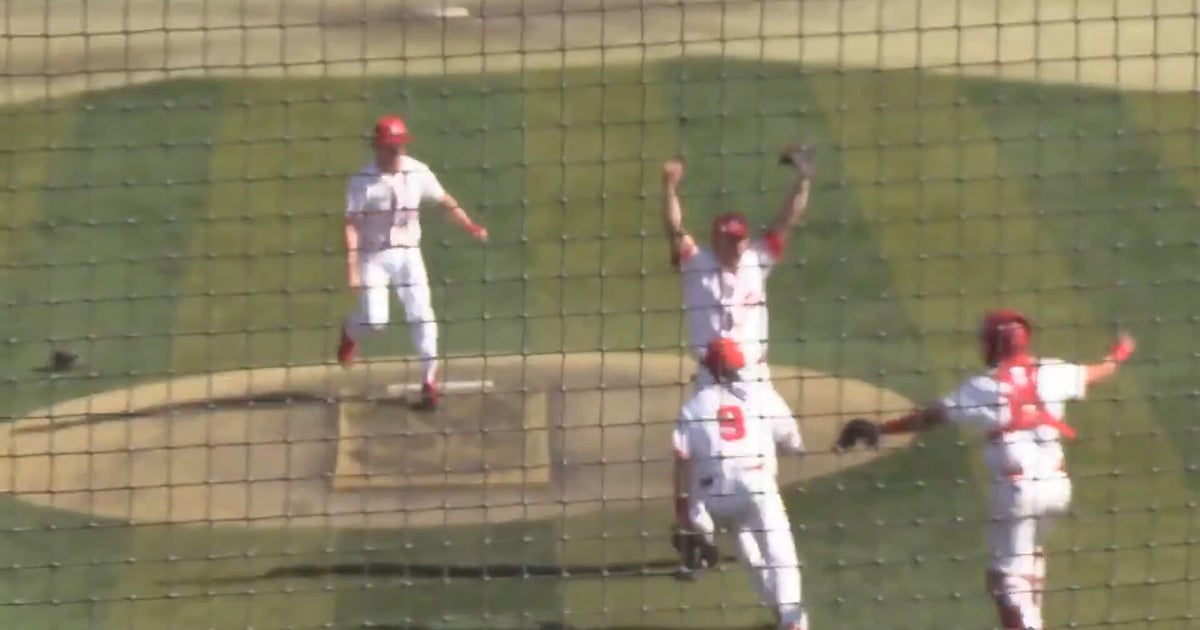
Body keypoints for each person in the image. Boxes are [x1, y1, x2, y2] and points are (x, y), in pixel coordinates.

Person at [834, 309, 1137, 630]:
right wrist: (1121, 350)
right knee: (1031, 558)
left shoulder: (982, 387)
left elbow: (930, 417)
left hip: (1017, 492)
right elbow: (1099, 371)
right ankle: (1032, 619)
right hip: (1057, 487)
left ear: (991, 345)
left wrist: (882, 429)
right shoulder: (1051, 370)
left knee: (1003, 579)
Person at [336, 114, 489, 409]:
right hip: (374, 257)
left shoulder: (418, 172)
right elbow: (351, 224)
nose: (398, 153)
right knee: (375, 321)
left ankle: (429, 381)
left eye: (401, 146)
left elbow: (445, 200)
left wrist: (470, 226)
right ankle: (350, 331)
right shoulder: (362, 182)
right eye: (392, 147)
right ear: (378, 147)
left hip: (408, 254)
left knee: (422, 314)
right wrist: (352, 268)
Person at [672, 337, 809, 630]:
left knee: (748, 546)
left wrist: (683, 506)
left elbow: (682, 459)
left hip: (717, 498)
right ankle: (792, 620)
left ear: (708, 369)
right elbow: (793, 442)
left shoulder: (693, 408)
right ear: (739, 366)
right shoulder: (762, 396)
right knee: (780, 551)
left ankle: (779, 612)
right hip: (756, 486)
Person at [660, 143, 814, 393]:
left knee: (787, 433)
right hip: (711, 379)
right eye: (729, 240)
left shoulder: (757, 259)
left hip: (756, 377)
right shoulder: (697, 264)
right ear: (715, 240)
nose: (736, 246)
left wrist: (803, 180)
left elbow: (788, 219)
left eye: (739, 239)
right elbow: (674, 228)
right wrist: (669, 187)